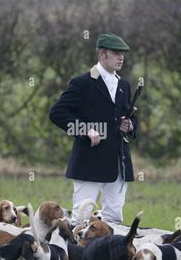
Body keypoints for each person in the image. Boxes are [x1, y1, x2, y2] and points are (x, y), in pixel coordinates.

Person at [49, 33, 138, 225]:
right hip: (89, 161)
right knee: (81, 219)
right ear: (102, 54)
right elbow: (57, 113)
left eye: (122, 54)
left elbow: (132, 118)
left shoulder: (124, 85)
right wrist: (85, 129)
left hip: (118, 162)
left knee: (114, 219)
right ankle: (76, 255)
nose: (121, 57)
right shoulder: (82, 83)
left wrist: (129, 125)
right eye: (116, 53)